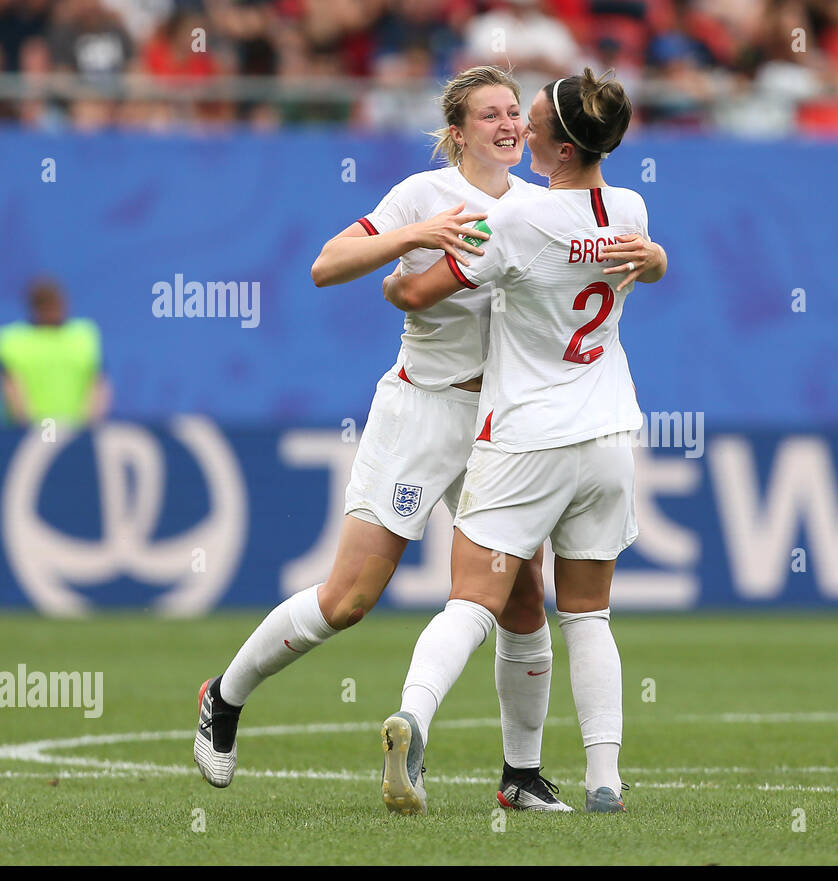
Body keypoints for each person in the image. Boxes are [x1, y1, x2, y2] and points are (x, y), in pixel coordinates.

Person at [194, 65, 664, 815]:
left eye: (517, 111)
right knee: (350, 598)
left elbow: (609, 252)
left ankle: (522, 775)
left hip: (508, 427)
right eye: (490, 115)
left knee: (521, 604)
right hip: (425, 410)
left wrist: (654, 255)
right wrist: (415, 234)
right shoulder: (422, 193)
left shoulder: (545, 204)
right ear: (458, 131)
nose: (509, 125)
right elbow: (325, 266)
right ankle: (224, 694)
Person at [377, 67, 665, 815]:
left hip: (528, 438)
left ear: (562, 149)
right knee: (589, 614)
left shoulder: (519, 221)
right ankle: (604, 779)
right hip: (607, 436)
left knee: (473, 600)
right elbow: (650, 260)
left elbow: (412, 293)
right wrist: (657, 259)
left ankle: (413, 714)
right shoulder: (629, 207)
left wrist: (398, 270)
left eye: (532, 122)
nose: (521, 132)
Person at [0, 278, 111, 427]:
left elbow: (98, 384)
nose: (52, 311)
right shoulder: (12, 340)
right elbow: (11, 387)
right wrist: (29, 428)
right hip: (31, 430)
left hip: (76, 430)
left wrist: (87, 426)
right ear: (34, 308)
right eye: (45, 306)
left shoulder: (84, 335)